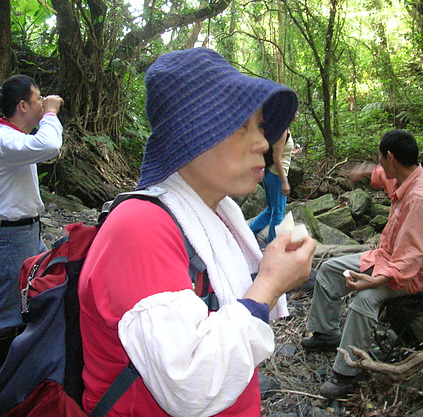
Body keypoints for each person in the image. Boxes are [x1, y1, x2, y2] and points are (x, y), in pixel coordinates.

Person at [78, 48, 316, 416]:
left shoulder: (217, 214)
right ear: (192, 135)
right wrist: (268, 286)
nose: (264, 143)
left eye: (260, 127)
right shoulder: (139, 228)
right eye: (243, 126)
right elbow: (188, 384)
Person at [301, 129, 423, 399]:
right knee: (331, 269)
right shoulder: (407, 176)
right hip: (386, 257)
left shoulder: (419, 198)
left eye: (379, 158)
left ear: (391, 157)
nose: (378, 163)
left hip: (410, 274)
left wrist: (374, 280)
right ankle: (326, 333)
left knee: (364, 300)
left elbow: (411, 259)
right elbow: (385, 178)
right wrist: (365, 170)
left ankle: (346, 372)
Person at [0, 75, 63, 374]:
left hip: (26, 233)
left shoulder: (12, 137)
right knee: (6, 314)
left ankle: (22, 368)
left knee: (44, 286)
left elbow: (42, 146)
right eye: (38, 99)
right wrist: (51, 113)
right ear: (23, 105)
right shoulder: (4, 140)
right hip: (12, 238)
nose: (42, 103)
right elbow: (50, 144)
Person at [249, 111, 301, 243]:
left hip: (271, 173)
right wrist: (285, 182)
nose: (297, 113)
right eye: (295, 111)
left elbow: (279, 152)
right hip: (277, 175)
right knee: (278, 213)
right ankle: (271, 245)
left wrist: (292, 150)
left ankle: (249, 233)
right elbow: (276, 158)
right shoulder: (282, 131)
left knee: (271, 210)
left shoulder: (284, 129)